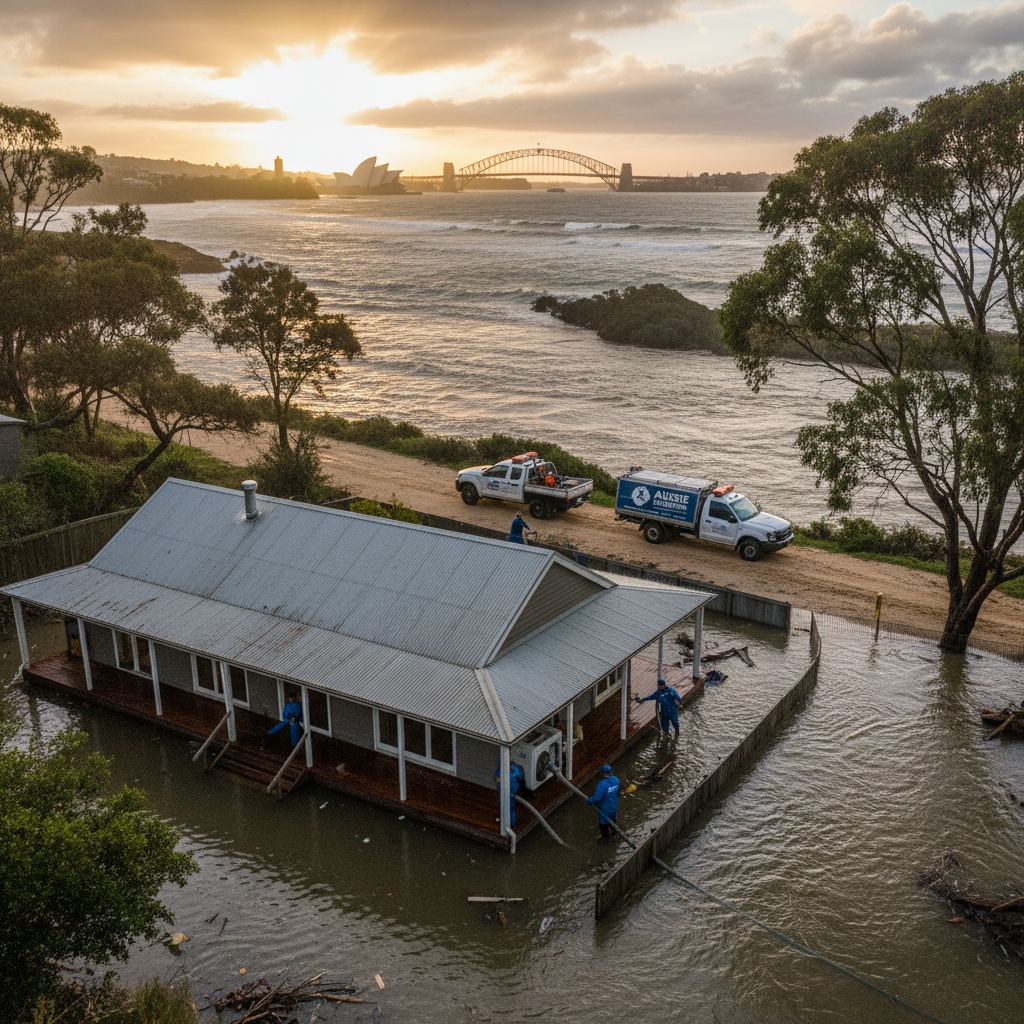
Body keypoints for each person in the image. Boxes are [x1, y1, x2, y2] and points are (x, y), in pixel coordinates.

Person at [587, 765, 620, 840]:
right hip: (614, 806)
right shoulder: (616, 780)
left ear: (603, 773)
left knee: (604, 827)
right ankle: (614, 834)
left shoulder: (602, 784)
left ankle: (606, 841)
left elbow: (597, 798)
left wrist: (589, 801)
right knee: (613, 822)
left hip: (605, 809)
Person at [494, 762, 526, 828]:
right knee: (509, 808)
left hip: (509, 793)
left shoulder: (513, 771)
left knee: (509, 807)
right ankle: (509, 824)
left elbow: (496, 781)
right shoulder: (515, 771)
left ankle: (510, 824)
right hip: (508, 793)